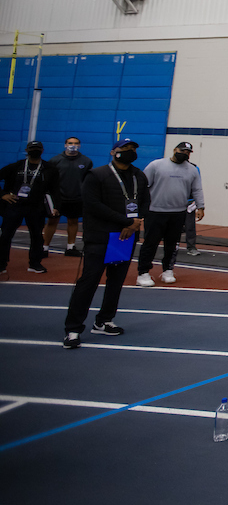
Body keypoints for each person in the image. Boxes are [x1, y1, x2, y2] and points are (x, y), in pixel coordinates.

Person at [62, 139, 150, 348]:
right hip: (101, 236)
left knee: (116, 282)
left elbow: (145, 201)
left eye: (133, 149)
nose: (130, 152)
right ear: (113, 152)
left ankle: (104, 320)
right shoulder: (97, 174)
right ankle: (73, 329)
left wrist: (135, 222)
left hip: (125, 237)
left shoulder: (139, 175)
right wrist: (126, 221)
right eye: (125, 149)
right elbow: (92, 204)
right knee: (89, 281)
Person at [136, 142, 204, 287]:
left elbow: (197, 189)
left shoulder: (192, 170)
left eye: (188, 152)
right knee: (150, 243)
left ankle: (168, 270)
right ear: (174, 150)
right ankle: (143, 272)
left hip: (178, 212)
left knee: (172, 245)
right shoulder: (156, 165)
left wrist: (201, 206)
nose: (185, 153)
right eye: (182, 150)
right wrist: (140, 208)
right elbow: (143, 185)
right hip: (155, 211)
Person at [0, 141, 60, 275]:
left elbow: (55, 189)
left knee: (37, 236)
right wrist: (3, 195)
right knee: (5, 235)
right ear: (27, 150)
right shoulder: (16, 166)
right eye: (32, 149)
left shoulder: (49, 168)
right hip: (15, 205)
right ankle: (1, 263)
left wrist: (55, 207)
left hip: (36, 207)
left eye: (37, 149)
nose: (35, 151)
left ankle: (35, 263)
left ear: (42, 151)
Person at [44, 136, 93, 257]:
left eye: (76, 143)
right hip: (58, 198)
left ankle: (70, 247)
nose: (73, 145)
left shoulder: (86, 161)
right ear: (65, 145)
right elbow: (49, 180)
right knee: (52, 221)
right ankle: (44, 247)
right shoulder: (55, 160)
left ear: (80, 146)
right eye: (70, 143)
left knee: (73, 222)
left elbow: (87, 180)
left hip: (76, 198)